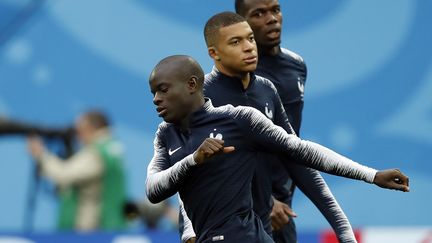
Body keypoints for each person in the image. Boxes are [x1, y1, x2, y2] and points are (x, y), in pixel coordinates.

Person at [146, 54, 409, 243]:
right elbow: (153, 190)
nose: (156, 99)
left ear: (191, 85)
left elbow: (301, 150)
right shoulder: (165, 135)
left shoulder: (239, 119)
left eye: (163, 90)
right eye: (154, 93)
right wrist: (194, 160)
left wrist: (371, 175)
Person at [181, 11, 354, 243]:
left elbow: (296, 157)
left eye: (250, 39)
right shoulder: (199, 99)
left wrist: (343, 230)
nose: (248, 47)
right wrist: (189, 230)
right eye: (236, 41)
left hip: (269, 216)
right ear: (214, 53)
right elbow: (185, 168)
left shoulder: (270, 87)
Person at [235, 0, 350, 242]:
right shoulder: (237, 76)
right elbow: (234, 146)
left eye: (275, 10)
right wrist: (265, 199)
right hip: (246, 204)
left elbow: (291, 139)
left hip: (283, 204)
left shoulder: (297, 65)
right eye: (259, 13)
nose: (271, 18)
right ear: (242, 22)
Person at [27, 110, 126, 231]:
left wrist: (41, 154)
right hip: (107, 226)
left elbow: (63, 174)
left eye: (79, 130)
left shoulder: (97, 153)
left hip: (91, 230)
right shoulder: (112, 150)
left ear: (90, 128)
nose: (77, 136)